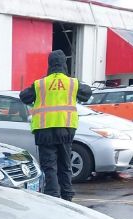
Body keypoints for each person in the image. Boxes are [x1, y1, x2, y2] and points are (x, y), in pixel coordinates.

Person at [19, 50, 92, 201]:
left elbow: (24, 96)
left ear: (50, 64)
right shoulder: (72, 82)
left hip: (44, 130)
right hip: (65, 129)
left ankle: (53, 198)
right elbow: (87, 93)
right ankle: (67, 197)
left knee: (49, 166)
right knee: (65, 165)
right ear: (64, 63)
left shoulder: (40, 84)